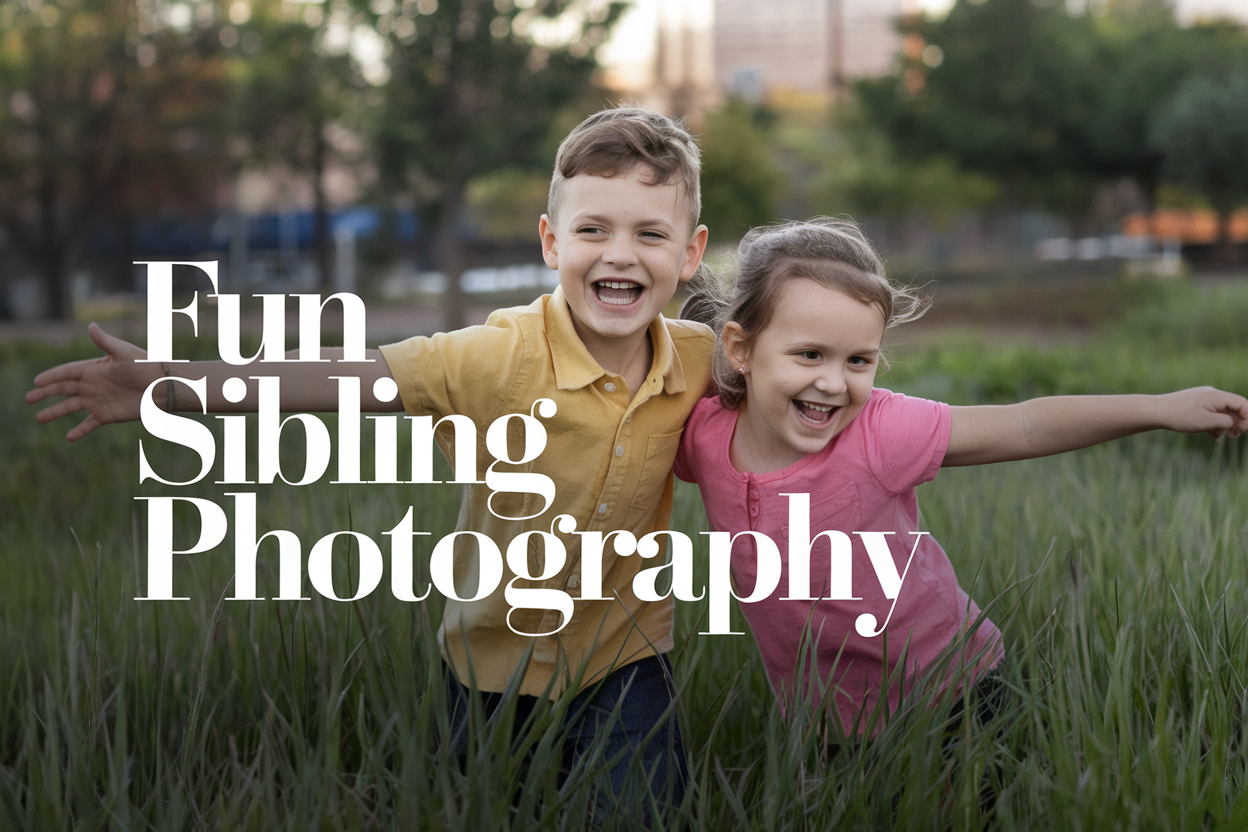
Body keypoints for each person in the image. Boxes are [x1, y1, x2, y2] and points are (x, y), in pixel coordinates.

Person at [26, 107, 713, 817]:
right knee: (493, 811)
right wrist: (173, 384)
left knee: (641, 814)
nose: (620, 254)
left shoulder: (699, 360)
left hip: (630, 661)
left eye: (649, 234)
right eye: (592, 229)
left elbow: (792, 373)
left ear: (690, 254)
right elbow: (343, 376)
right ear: (550, 241)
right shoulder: (497, 356)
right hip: (490, 664)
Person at [675, 217, 1247, 739]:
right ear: (741, 349)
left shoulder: (879, 430)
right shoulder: (702, 437)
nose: (833, 382)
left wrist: (1160, 408)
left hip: (956, 695)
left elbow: (1024, 425)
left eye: (858, 361)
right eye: (809, 355)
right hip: (825, 721)